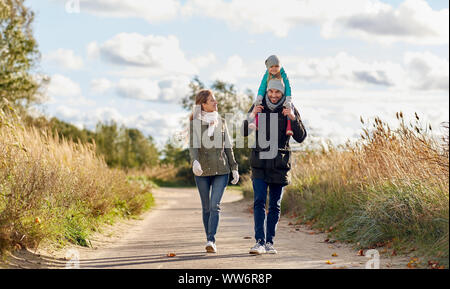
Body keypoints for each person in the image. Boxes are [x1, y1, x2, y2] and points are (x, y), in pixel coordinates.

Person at [243, 79, 307, 254]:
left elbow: (301, 137)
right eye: (270, 91)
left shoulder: (289, 107)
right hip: (260, 163)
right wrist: (250, 115)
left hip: (279, 163)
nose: (273, 95)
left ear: (283, 93)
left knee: (275, 206)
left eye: (277, 92)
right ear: (266, 91)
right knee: (259, 201)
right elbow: (243, 131)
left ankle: (269, 242)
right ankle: (259, 242)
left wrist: (293, 119)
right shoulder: (258, 105)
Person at [189, 89, 240, 253]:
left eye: (215, 100)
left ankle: (211, 240)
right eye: (212, 101)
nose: (216, 103)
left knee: (215, 205)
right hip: (202, 171)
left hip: (221, 170)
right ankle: (208, 238)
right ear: (203, 104)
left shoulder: (222, 122)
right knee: (206, 208)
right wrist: (195, 161)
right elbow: (193, 146)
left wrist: (234, 168)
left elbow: (228, 147)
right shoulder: (195, 124)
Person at [250, 55, 294, 136]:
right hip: (260, 148)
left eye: (276, 66)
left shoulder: (283, 73)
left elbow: (288, 87)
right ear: (268, 67)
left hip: (284, 96)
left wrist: (288, 100)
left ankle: (289, 126)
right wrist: (259, 98)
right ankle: (255, 121)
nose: (274, 69)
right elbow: (262, 87)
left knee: (288, 108)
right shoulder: (266, 74)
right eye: (271, 67)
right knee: (259, 106)